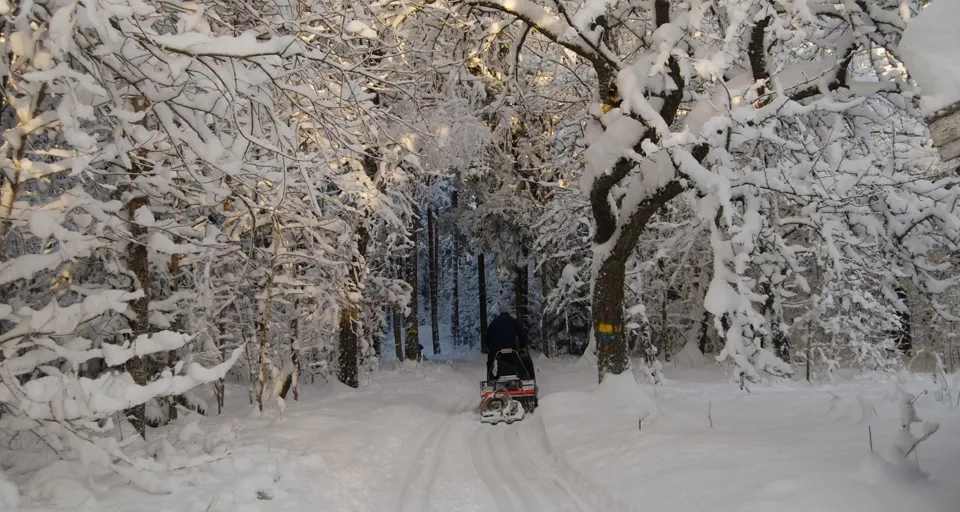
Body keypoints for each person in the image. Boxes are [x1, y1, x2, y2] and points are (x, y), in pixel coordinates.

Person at [485, 303, 533, 381]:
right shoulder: (513, 321)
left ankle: (490, 378)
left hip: (497, 350)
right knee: (522, 359)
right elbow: (522, 334)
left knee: (491, 362)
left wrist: (490, 347)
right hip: (511, 349)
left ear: (500, 312)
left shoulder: (493, 323)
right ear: (508, 312)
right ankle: (525, 376)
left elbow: (488, 337)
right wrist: (522, 346)